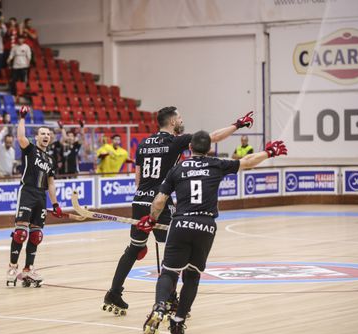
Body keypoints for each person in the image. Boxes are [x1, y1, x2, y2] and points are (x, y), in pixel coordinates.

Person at [138, 131, 288, 334]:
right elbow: (246, 162)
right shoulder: (216, 164)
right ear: (209, 149)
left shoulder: (177, 168)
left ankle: (160, 306)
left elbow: (160, 200)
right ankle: (178, 321)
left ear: (189, 148)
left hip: (180, 223)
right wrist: (269, 152)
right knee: (192, 276)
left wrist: (152, 219)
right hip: (206, 226)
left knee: (169, 272)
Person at [102, 107, 254, 315]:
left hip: (139, 200)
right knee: (173, 252)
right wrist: (237, 124)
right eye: (180, 117)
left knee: (134, 248)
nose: (182, 120)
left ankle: (114, 292)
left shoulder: (144, 143)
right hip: (160, 201)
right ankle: (170, 300)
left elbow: (138, 179)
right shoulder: (176, 141)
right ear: (173, 122)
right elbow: (213, 137)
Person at [6, 106, 63, 287]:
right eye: (43, 133)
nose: (46, 136)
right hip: (27, 192)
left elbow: (51, 183)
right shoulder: (29, 149)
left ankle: (28, 269)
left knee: (36, 235)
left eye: (48, 134)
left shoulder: (51, 160)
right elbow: (20, 137)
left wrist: (55, 204)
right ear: (37, 137)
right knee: (21, 232)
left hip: (41, 196)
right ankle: (12, 267)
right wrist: (22, 117)